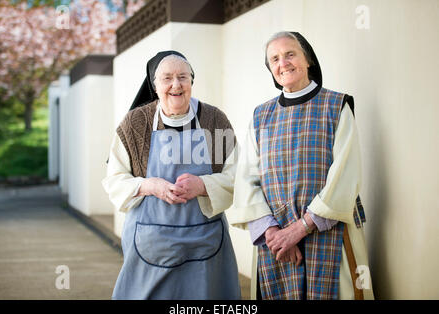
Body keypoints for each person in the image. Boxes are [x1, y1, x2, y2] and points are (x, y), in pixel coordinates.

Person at [228, 31, 375, 300]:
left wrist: (299, 229)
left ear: (307, 59)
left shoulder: (336, 105)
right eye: (274, 59)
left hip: (329, 233)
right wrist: (274, 234)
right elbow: (246, 178)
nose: (282, 63)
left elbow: (346, 174)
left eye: (290, 54)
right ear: (271, 70)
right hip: (277, 243)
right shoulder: (261, 116)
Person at [102, 50, 241, 300]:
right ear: (154, 86)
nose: (176, 85)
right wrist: (149, 186)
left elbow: (238, 176)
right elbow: (113, 180)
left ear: (191, 82)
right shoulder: (135, 124)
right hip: (151, 244)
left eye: (183, 77)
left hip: (205, 241)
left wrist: (203, 185)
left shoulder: (214, 120)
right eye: (167, 78)